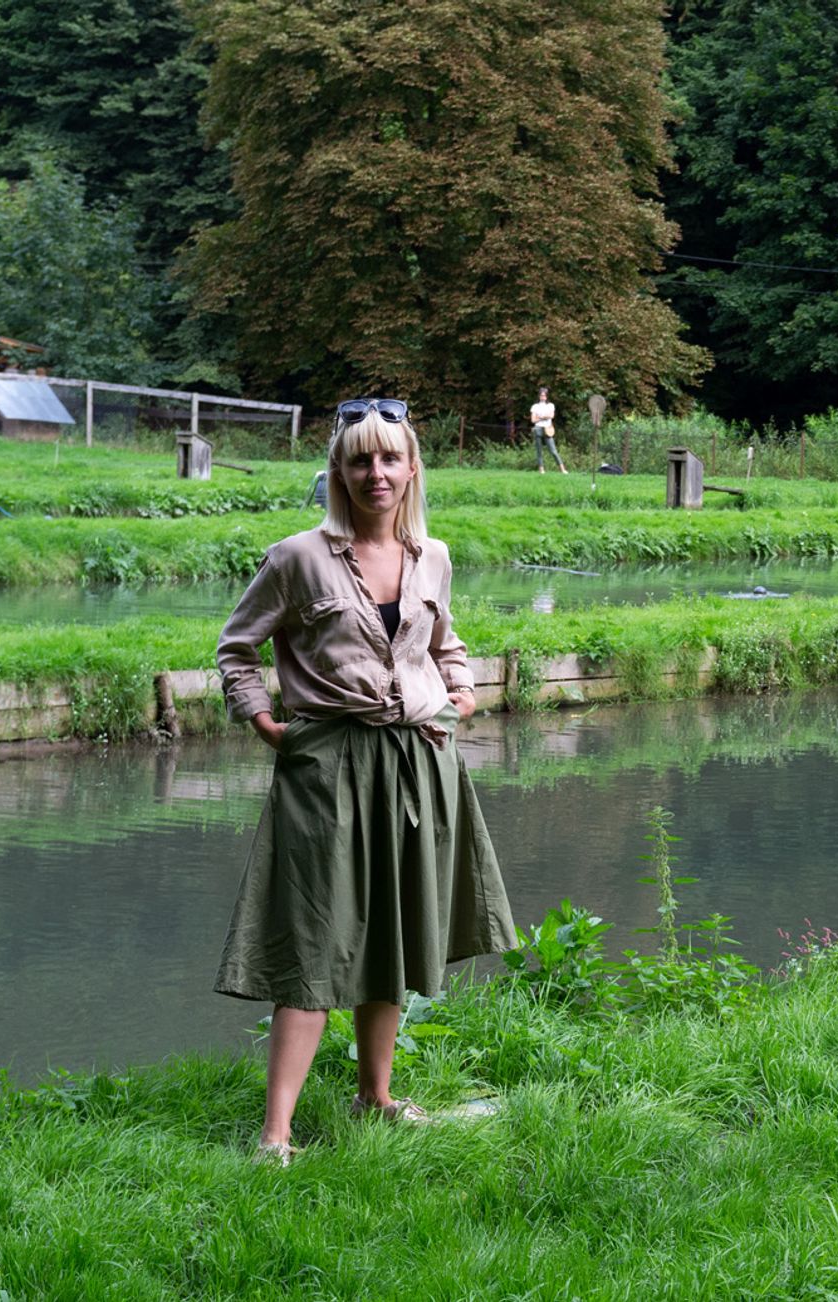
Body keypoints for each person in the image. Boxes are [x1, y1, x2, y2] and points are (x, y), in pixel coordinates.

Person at [215, 396, 516, 1166]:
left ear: (411, 468)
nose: (375, 473)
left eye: (389, 458)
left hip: (419, 761)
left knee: (394, 935)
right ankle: (275, 1137)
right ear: (338, 471)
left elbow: (444, 640)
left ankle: (375, 1100)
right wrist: (266, 724)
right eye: (360, 459)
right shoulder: (296, 558)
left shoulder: (432, 556)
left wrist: (461, 692)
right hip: (328, 767)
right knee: (314, 941)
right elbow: (236, 648)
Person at [530, 386, 566, 473]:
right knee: (539, 451)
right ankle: (541, 470)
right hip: (538, 428)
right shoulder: (535, 406)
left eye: (544, 395)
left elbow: (551, 416)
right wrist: (544, 417)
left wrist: (540, 417)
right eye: (541, 395)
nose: (542, 397)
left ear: (547, 396)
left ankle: (563, 469)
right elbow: (533, 420)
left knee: (553, 451)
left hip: (548, 429)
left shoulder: (550, 405)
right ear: (539, 396)